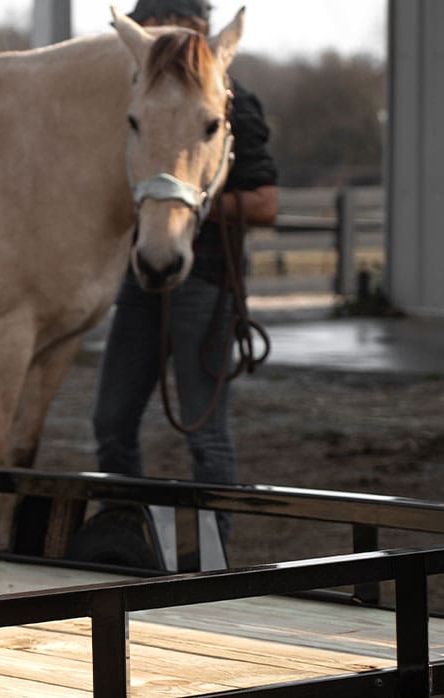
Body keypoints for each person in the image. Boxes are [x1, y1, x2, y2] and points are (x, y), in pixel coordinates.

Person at [91, 0, 279, 541]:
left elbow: (265, 203)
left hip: (206, 283)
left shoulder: (232, 102)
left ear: (192, 28)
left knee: (207, 434)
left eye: (163, 29)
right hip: (143, 278)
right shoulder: (138, 99)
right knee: (110, 423)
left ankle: (213, 555)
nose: (156, 42)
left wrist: (182, 203)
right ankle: (124, 541)